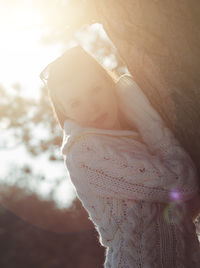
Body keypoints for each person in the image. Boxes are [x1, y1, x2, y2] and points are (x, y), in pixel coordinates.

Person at [40, 46, 200, 267]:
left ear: (108, 83)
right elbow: (183, 185)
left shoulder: (129, 138)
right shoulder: (85, 153)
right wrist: (146, 118)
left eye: (95, 89)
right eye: (75, 103)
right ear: (66, 111)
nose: (91, 107)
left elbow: (185, 207)